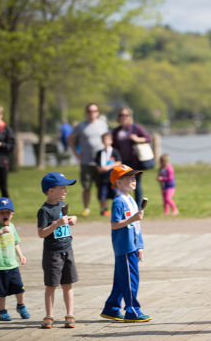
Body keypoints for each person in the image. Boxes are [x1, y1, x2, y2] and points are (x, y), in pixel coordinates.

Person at [100, 164, 151, 322]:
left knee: (122, 279)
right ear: (118, 183)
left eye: (134, 177)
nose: (134, 180)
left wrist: (140, 245)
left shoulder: (131, 200)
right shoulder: (119, 202)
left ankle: (111, 308)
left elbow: (136, 226)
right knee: (131, 279)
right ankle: (132, 311)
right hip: (124, 246)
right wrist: (132, 219)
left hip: (132, 245)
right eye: (129, 178)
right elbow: (115, 224)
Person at [37, 172, 79, 329]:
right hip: (52, 254)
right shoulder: (44, 210)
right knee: (51, 285)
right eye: (62, 188)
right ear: (50, 191)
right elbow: (41, 233)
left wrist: (72, 219)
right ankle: (49, 315)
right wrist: (55, 224)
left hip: (67, 250)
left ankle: (70, 314)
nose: (65, 191)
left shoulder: (62, 206)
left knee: (68, 284)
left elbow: (66, 223)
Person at [0, 197, 30, 321]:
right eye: (2, 213)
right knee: (1, 292)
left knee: (19, 288)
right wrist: (0, 232)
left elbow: (16, 242)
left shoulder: (12, 226)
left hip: (12, 265)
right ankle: (2, 311)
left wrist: (21, 255)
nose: (5, 215)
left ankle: (21, 306)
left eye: (8, 213)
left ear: (12, 214)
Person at [68, 103, 109, 217]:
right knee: (86, 187)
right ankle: (86, 209)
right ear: (86, 113)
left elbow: (108, 139)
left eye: (94, 111)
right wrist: (76, 154)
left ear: (98, 113)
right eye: (89, 111)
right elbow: (70, 139)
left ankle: (104, 209)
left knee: (102, 186)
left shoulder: (103, 125)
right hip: (86, 162)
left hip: (101, 162)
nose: (92, 113)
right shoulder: (80, 126)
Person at [112, 107, 151, 207]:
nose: (124, 117)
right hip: (122, 163)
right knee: (121, 184)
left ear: (130, 116)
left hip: (135, 161)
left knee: (136, 184)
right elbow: (113, 147)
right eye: (121, 115)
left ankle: (137, 207)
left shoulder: (135, 127)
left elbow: (147, 138)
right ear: (118, 117)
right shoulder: (116, 131)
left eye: (126, 115)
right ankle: (123, 205)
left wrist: (137, 139)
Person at [95, 132, 122, 216]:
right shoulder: (100, 152)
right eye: (103, 139)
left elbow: (118, 162)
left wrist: (109, 167)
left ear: (111, 141)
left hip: (112, 177)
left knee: (115, 194)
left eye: (107, 139)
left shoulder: (114, 151)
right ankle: (104, 210)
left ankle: (117, 209)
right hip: (102, 177)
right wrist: (99, 168)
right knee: (103, 194)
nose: (105, 141)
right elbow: (96, 163)